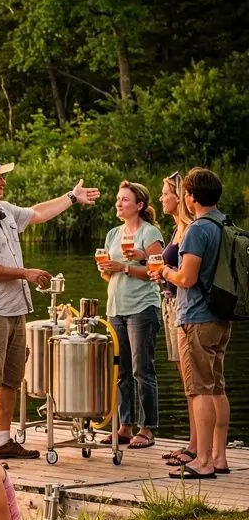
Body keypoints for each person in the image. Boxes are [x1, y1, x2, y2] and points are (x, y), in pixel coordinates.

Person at [0, 151, 99, 460]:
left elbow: (37, 213)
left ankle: (2, 442)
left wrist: (71, 197)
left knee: (11, 379)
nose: (3, 182)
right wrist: (25, 273)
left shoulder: (2, 210)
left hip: (15, 308)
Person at [152, 167, 232, 479]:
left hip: (197, 317)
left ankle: (203, 461)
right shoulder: (224, 223)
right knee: (217, 388)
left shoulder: (198, 229)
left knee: (199, 390)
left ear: (190, 197)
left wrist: (164, 272)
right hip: (221, 316)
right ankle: (220, 457)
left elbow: (186, 277)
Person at [97, 181, 164, 449]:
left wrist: (124, 267)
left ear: (139, 205)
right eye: (118, 198)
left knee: (142, 369)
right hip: (116, 309)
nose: (119, 203)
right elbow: (108, 273)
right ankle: (124, 426)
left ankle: (147, 429)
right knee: (121, 371)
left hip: (142, 308)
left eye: (124, 199)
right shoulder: (113, 234)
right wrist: (107, 268)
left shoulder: (150, 233)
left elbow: (155, 271)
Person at [157, 171, 197, 465]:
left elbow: (185, 274)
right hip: (171, 304)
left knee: (194, 381)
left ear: (180, 196)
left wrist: (165, 272)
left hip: (185, 308)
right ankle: (193, 441)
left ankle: (196, 445)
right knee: (186, 380)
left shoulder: (190, 228)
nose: (161, 198)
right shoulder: (176, 229)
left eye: (165, 193)